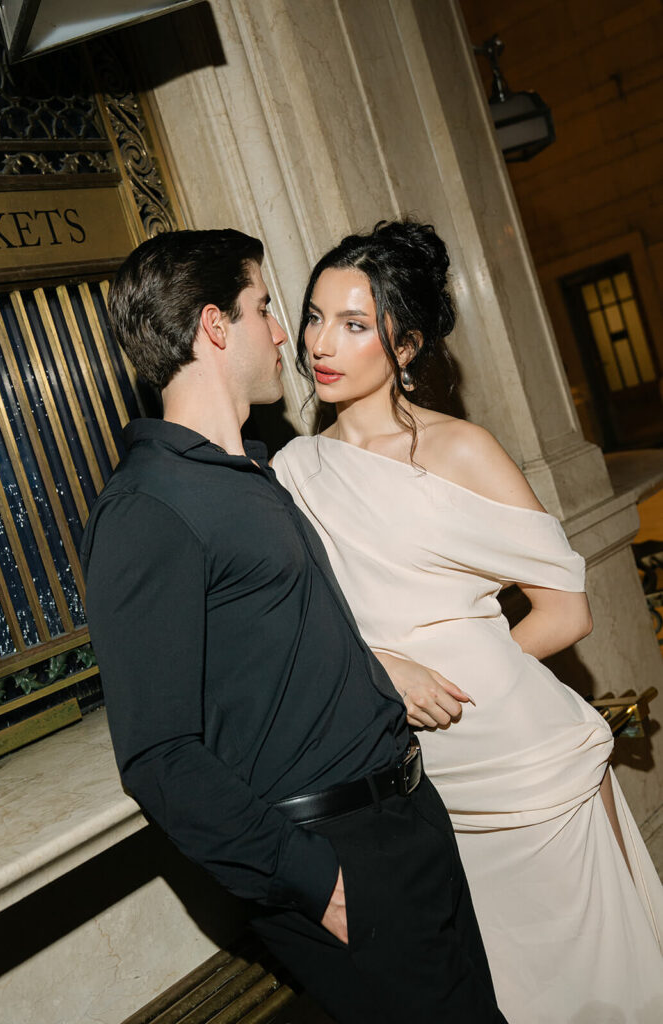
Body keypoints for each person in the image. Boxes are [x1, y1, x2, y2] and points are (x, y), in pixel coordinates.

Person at [80, 228, 508, 1024]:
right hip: (337, 854)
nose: (284, 333)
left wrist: (378, 667)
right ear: (214, 326)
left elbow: (284, 643)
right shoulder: (147, 509)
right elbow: (159, 757)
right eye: (264, 307)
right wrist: (318, 885)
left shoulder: (251, 467)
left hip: (404, 822)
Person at [272, 219, 663, 1024]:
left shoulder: (461, 450)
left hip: (524, 767)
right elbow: (304, 625)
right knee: (497, 997)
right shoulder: (294, 469)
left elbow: (565, 611)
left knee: (589, 992)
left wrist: (469, 677)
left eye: (354, 324)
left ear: (405, 346)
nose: (322, 342)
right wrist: (381, 669)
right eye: (314, 316)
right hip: (415, 775)